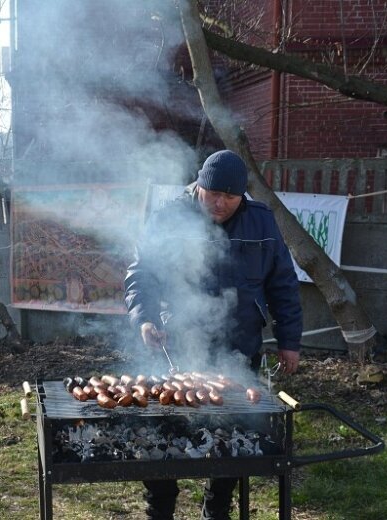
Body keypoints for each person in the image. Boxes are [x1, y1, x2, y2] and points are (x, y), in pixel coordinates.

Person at [124, 149, 303, 520]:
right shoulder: (169, 216)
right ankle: (160, 507)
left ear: (243, 195)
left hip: (239, 346)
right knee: (165, 429)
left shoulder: (262, 223)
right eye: (212, 194)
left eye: (230, 197)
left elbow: (283, 283)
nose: (219, 203)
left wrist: (290, 341)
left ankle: (217, 505)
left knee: (232, 433)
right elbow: (142, 273)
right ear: (199, 187)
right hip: (176, 343)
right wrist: (145, 318)